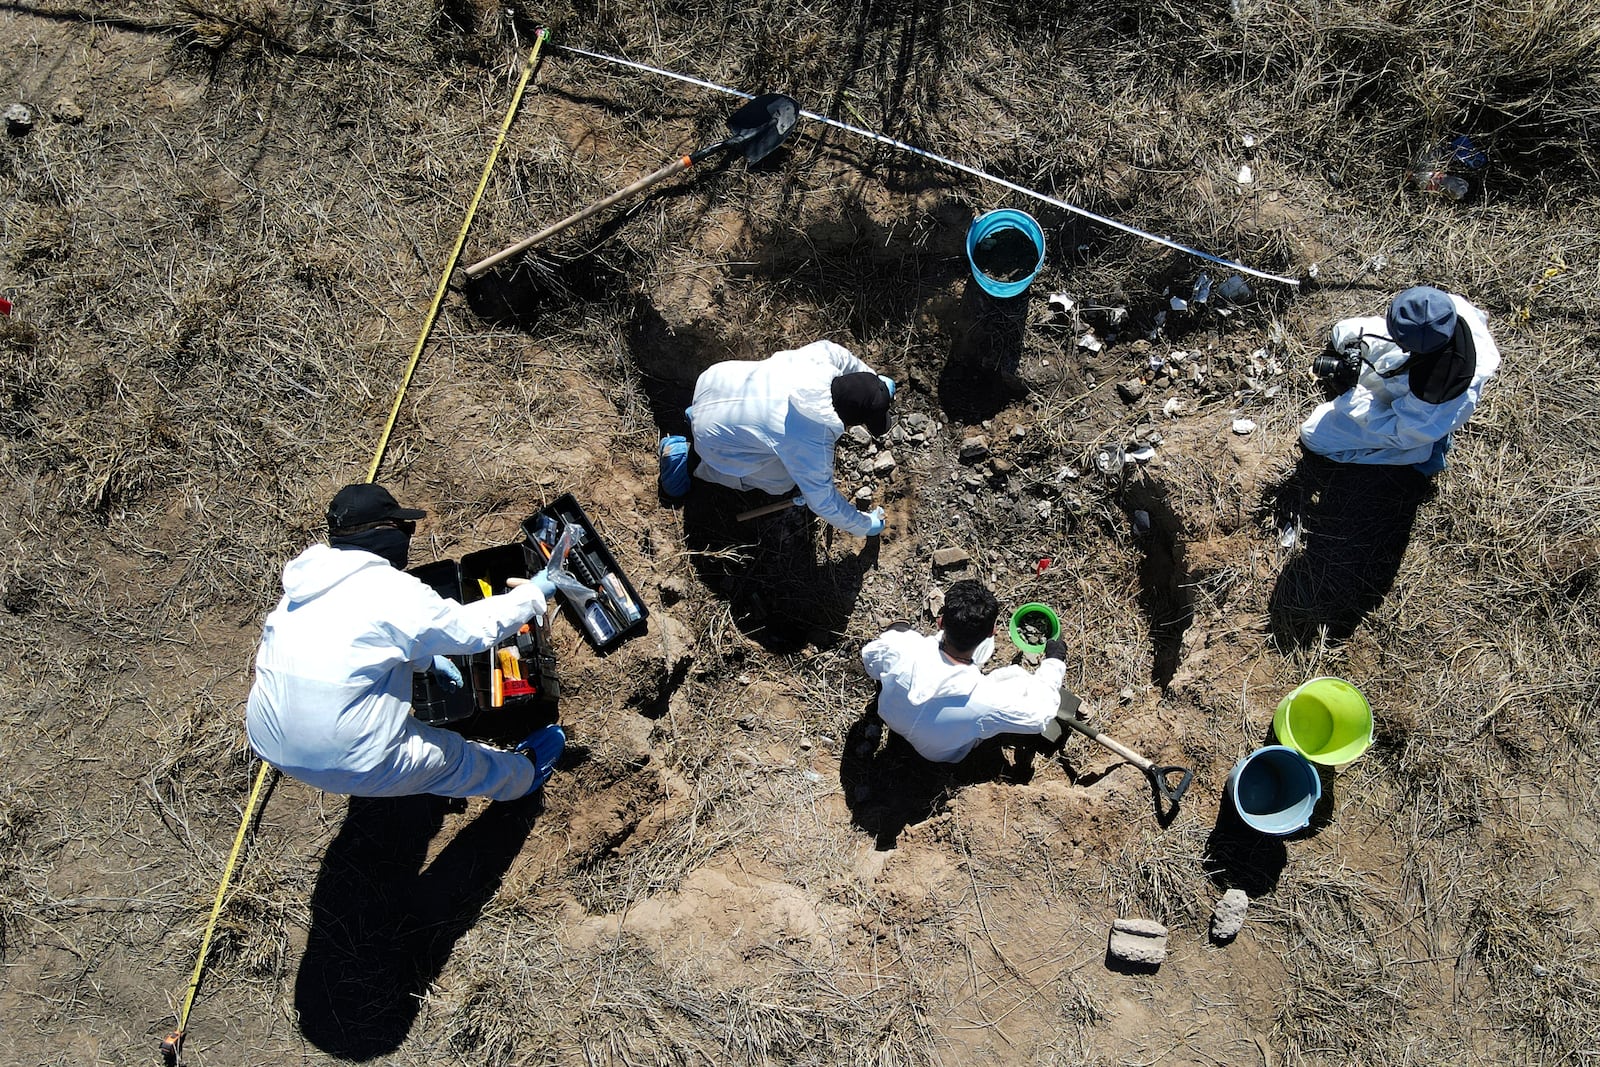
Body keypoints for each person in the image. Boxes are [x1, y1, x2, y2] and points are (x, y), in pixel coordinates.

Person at [245, 482, 565, 802]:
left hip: (270, 741)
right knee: (454, 760)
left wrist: (426, 661)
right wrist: (533, 593)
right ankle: (524, 776)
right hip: (355, 760)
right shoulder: (391, 590)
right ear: (385, 531)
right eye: (406, 527)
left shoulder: (305, 587)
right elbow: (473, 631)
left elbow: (361, 642)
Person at [678, 339, 895, 537]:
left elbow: (847, 361)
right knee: (782, 480)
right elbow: (823, 502)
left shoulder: (819, 357)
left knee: (760, 431)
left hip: (713, 381)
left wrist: (876, 383)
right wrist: (866, 525)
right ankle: (691, 462)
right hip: (711, 440)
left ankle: (694, 416)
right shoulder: (813, 438)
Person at [860, 580, 1075, 763]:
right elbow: (1040, 717)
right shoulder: (986, 700)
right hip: (940, 754)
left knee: (897, 632)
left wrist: (896, 642)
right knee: (1018, 679)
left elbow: (869, 659)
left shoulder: (901, 647)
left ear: (940, 622)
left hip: (893, 718)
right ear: (992, 632)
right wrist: (1054, 662)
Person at [1300, 285, 1500, 474]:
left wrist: (1351, 394)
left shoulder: (1433, 394)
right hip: (1417, 354)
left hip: (1413, 426)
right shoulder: (1440, 310)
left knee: (1313, 435)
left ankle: (1421, 451)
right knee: (1343, 332)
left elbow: (1396, 429)